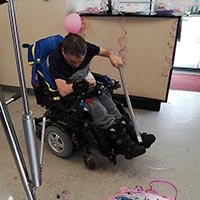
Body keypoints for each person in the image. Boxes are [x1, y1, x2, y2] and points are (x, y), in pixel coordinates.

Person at [49, 33, 155, 159]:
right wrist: (83, 83)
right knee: (100, 110)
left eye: (80, 61)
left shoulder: (87, 48)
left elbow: (106, 51)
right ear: (63, 51)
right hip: (73, 90)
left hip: (88, 83)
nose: (76, 65)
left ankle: (133, 136)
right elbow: (63, 90)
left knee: (111, 105)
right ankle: (125, 145)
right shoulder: (55, 59)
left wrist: (112, 56)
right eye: (72, 61)